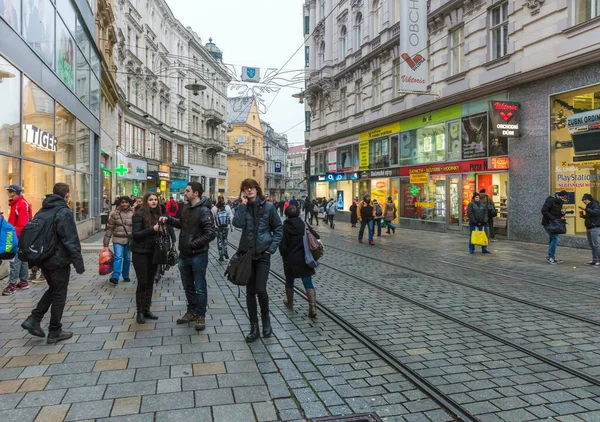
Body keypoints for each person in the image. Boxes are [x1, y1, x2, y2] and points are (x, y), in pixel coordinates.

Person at [21, 183, 85, 344]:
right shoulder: (63, 212)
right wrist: (78, 263)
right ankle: (55, 331)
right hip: (58, 260)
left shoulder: (42, 211)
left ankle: (34, 318)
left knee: (54, 289)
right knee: (59, 295)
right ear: (67, 195)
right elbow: (70, 239)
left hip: (44, 259)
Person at [232, 179, 283, 343]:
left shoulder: (268, 207)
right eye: (246, 188)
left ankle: (266, 321)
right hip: (247, 255)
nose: (249, 190)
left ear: (257, 189)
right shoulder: (243, 207)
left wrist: (271, 248)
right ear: (243, 192)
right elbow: (237, 223)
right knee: (250, 292)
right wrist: (242, 204)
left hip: (262, 255)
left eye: (252, 187)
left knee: (261, 289)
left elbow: (278, 229)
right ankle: (254, 327)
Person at [163, 182, 216, 331]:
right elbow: (182, 224)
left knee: (200, 286)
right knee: (188, 286)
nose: (184, 193)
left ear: (196, 193)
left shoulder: (204, 211)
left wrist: (193, 244)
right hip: (184, 254)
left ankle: (200, 315)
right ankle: (191, 311)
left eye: (187, 191)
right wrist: (169, 219)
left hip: (198, 255)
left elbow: (211, 233)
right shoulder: (186, 208)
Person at [280, 205, 318, 318]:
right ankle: (312, 307)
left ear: (286, 215)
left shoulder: (284, 227)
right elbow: (316, 236)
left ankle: (290, 303)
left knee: (289, 281)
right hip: (305, 258)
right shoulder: (304, 225)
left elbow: (282, 247)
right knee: (307, 282)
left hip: (290, 260)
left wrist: (284, 256)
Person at [131, 192, 163, 324]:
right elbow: (136, 234)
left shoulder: (157, 214)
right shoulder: (139, 214)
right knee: (142, 282)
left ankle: (146, 309)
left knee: (150, 281)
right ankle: (139, 312)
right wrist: (153, 229)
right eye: (151, 200)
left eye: (155, 200)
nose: (154, 202)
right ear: (146, 201)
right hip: (140, 253)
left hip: (153, 252)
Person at [3, 184, 32, 296]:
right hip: (19, 236)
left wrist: (11, 232)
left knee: (14, 260)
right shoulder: (17, 204)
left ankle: (12, 285)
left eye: (8, 191)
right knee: (22, 259)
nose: (7, 193)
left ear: (13, 192)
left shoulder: (20, 204)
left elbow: (23, 224)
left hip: (18, 236)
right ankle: (23, 282)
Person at [103, 196, 134, 285]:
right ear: (120, 203)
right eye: (122, 202)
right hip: (117, 239)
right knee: (118, 257)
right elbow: (110, 228)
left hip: (128, 239)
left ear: (129, 203)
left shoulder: (133, 213)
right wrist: (106, 242)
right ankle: (115, 276)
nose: (124, 204)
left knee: (127, 258)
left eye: (126, 202)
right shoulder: (115, 214)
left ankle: (125, 275)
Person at [541, 190, 568, 264]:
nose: (564, 200)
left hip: (554, 224)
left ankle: (551, 256)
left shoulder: (559, 202)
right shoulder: (551, 200)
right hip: (548, 223)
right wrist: (552, 219)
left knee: (552, 239)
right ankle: (551, 257)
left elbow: (556, 214)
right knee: (555, 239)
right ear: (561, 196)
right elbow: (544, 210)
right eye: (564, 198)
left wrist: (562, 214)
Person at [579, 193, 600, 266]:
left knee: (596, 245)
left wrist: (585, 209)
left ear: (589, 199)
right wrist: (583, 216)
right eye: (583, 200)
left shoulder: (595, 204)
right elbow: (590, 216)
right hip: (589, 227)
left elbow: (597, 212)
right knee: (592, 245)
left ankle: (599, 260)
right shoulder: (589, 205)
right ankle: (595, 260)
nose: (584, 201)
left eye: (585, 200)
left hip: (595, 227)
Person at [212, 195, 233, 262]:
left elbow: (212, 218)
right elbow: (231, 216)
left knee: (219, 240)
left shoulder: (214, 208)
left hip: (218, 227)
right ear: (224, 199)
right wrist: (230, 225)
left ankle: (221, 254)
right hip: (226, 227)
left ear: (218, 200)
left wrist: (214, 226)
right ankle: (225, 251)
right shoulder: (227, 207)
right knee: (225, 239)